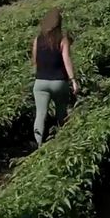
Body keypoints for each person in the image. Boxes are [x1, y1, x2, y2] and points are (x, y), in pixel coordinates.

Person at [31, 8, 78, 145]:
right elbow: (67, 60)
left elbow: (35, 60)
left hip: (40, 82)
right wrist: (73, 80)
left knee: (40, 115)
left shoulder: (37, 40)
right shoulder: (62, 40)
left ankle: (39, 145)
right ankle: (62, 140)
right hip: (59, 82)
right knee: (61, 112)